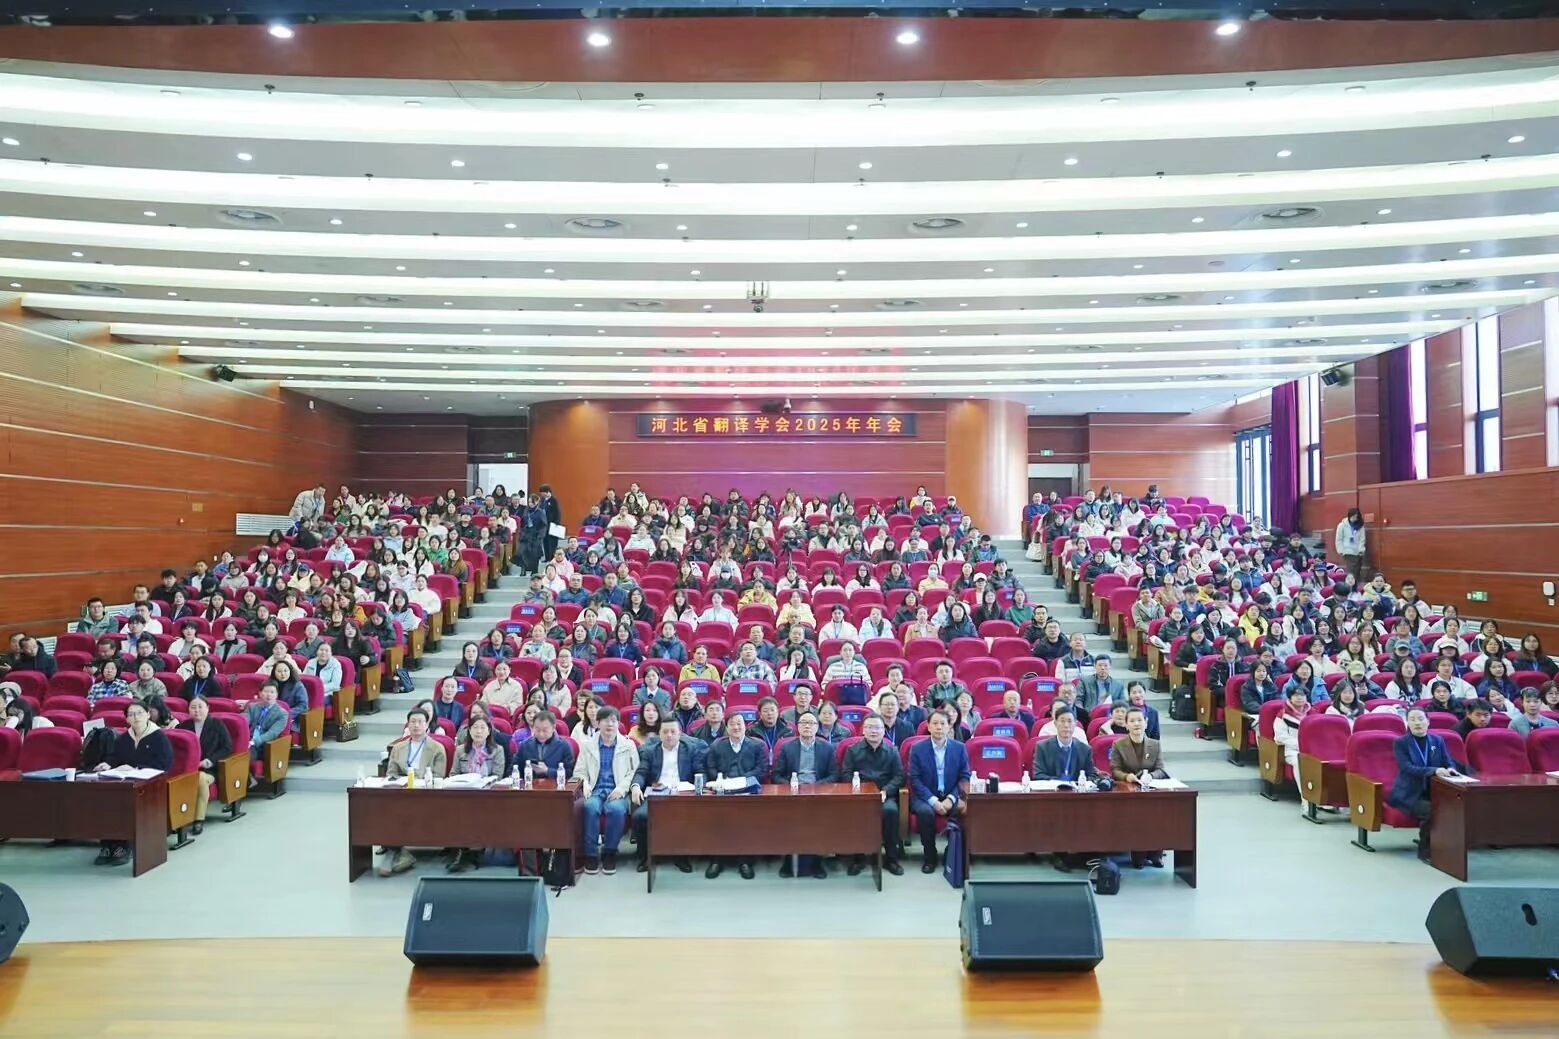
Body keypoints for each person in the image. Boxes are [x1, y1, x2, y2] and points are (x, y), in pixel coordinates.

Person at [92, 701, 174, 865]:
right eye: (131, 714)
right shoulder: (124, 738)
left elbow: (163, 764)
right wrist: (107, 764)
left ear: (148, 715)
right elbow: (115, 757)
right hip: (125, 783)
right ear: (127, 719)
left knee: (125, 804)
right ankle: (108, 844)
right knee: (105, 801)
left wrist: (136, 768)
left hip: (151, 786)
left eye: (139, 713)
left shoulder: (159, 737)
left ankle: (124, 846)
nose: (136, 717)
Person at [1388, 707, 1471, 860]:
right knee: (1433, 810)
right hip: (1410, 794)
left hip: (1434, 791)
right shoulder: (1401, 742)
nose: (1417, 723)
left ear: (1428, 721)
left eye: (1420, 719)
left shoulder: (1437, 740)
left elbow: (1448, 761)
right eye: (1412, 720)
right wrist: (1434, 770)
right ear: (1408, 723)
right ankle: (1425, 851)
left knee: (1457, 806)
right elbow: (1407, 768)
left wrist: (1451, 768)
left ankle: (1448, 846)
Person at [628, 715, 705, 873]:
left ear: (679, 733)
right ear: (660, 734)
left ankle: (681, 856)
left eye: (673, 731)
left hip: (683, 795)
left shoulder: (691, 749)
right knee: (640, 816)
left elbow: (700, 771)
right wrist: (635, 786)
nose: (669, 735)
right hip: (658, 795)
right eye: (665, 732)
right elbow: (641, 772)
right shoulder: (650, 751)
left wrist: (699, 784)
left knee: (685, 816)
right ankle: (645, 857)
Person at [377, 709, 450, 875]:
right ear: (408, 725)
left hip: (427, 795)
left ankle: (396, 853)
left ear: (427, 725)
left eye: (420, 722)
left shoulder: (437, 748)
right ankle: (400, 852)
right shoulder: (398, 748)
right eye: (413, 722)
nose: (416, 725)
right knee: (383, 805)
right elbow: (391, 774)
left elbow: (439, 776)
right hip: (402, 793)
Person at [701, 712, 770, 879]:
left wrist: (742, 780)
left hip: (748, 790)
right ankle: (717, 859)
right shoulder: (717, 745)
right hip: (722, 791)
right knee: (716, 819)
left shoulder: (757, 745)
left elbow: (762, 769)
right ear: (727, 727)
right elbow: (710, 767)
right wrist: (722, 780)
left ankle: (745, 860)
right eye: (732, 724)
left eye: (739, 723)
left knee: (747, 820)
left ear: (745, 726)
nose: (736, 727)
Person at [572, 705, 639, 876]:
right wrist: (585, 784)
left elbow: (634, 772)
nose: (609, 724)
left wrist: (621, 789)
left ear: (618, 724)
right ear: (598, 723)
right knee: (590, 807)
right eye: (605, 721)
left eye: (613, 721)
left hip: (617, 790)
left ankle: (610, 852)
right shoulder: (588, 745)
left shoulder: (628, 745)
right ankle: (591, 854)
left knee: (616, 810)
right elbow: (579, 772)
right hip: (595, 790)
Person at [768, 711, 836, 878]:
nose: (807, 726)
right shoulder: (787, 748)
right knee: (789, 819)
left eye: (811, 723)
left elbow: (834, 775)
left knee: (818, 819)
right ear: (797, 727)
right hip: (792, 793)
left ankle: (817, 861)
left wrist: (816, 787)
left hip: (818, 793)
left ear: (817, 727)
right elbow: (776, 775)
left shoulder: (827, 748)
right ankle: (788, 860)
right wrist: (792, 786)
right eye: (803, 722)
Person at [840, 714, 906, 876]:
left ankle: (891, 859)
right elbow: (846, 774)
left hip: (884, 795)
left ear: (883, 731)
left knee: (890, 811)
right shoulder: (852, 750)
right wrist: (862, 792)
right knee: (856, 813)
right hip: (860, 796)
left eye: (877, 727)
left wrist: (886, 791)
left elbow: (899, 776)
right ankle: (858, 858)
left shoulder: (892, 751)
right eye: (869, 727)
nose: (873, 731)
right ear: (863, 730)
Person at [907, 710, 970, 873]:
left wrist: (950, 799)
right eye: (934, 723)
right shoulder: (917, 749)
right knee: (925, 812)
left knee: (963, 809)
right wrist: (933, 801)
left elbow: (964, 777)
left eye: (943, 723)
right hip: (924, 796)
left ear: (949, 727)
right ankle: (930, 856)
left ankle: (952, 851)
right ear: (928, 727)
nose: (939, 727)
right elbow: (915, 779)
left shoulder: (959, 748)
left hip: (951, 794)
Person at [446, 716, 508, 872]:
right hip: (464, 794)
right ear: (469, 731)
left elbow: (498, 775)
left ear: (489, 731)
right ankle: (461, 851)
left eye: (482, 728)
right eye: (475, 727)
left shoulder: (497, 750)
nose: (478, 731)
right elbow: (453, 773)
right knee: (456, 811)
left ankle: (479, 850)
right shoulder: (460, 750)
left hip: (488, 796)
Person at [178, 695, 231, 835]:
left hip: (210, 768)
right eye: (193, 707)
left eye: (200, 707)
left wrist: (209, 760)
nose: (197, 710)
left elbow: (227, 747)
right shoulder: (184, 726)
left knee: (200, 779)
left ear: (207, 708)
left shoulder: (217, 725)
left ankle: (198, 819)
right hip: (188, 768)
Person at [1031, 709, 1109, 786]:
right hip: (1051, 791)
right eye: (1062, 721)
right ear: (1055, 723)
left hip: (1076, 792)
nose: (1066, 725)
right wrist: (1061, 782)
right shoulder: (1042, 747)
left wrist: (1078, 783)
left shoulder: (1085, 749)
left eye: (1069, 721)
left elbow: (1092, 775)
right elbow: (1038, 775)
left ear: (1075, 724)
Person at [1272, 685, 1313, 813]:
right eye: (1296, 695)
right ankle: (1306, 800)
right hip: (1291, 750)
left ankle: (1325, 801)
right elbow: (1280, 737)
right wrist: (1301, 745)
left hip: (1312, 750)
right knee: (1298, 761)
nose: (1299, 698)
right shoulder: (1283, 715)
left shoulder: (1313, 714)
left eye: (1302, 695)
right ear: (1290, 698)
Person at [1335, 508, 1366, 579]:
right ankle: (1350, 583)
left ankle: (1355, 583)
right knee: (1351, 570)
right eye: (1353, 516)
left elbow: (1362, 539)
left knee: (1357, 570)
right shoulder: (1342, 525)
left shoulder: (1360, 526)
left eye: (1356, 516)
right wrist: (1340, 550)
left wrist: (1361, 549)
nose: (1354, 518)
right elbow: (1339, 539)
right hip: (1347, 551)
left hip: (1358, 551)